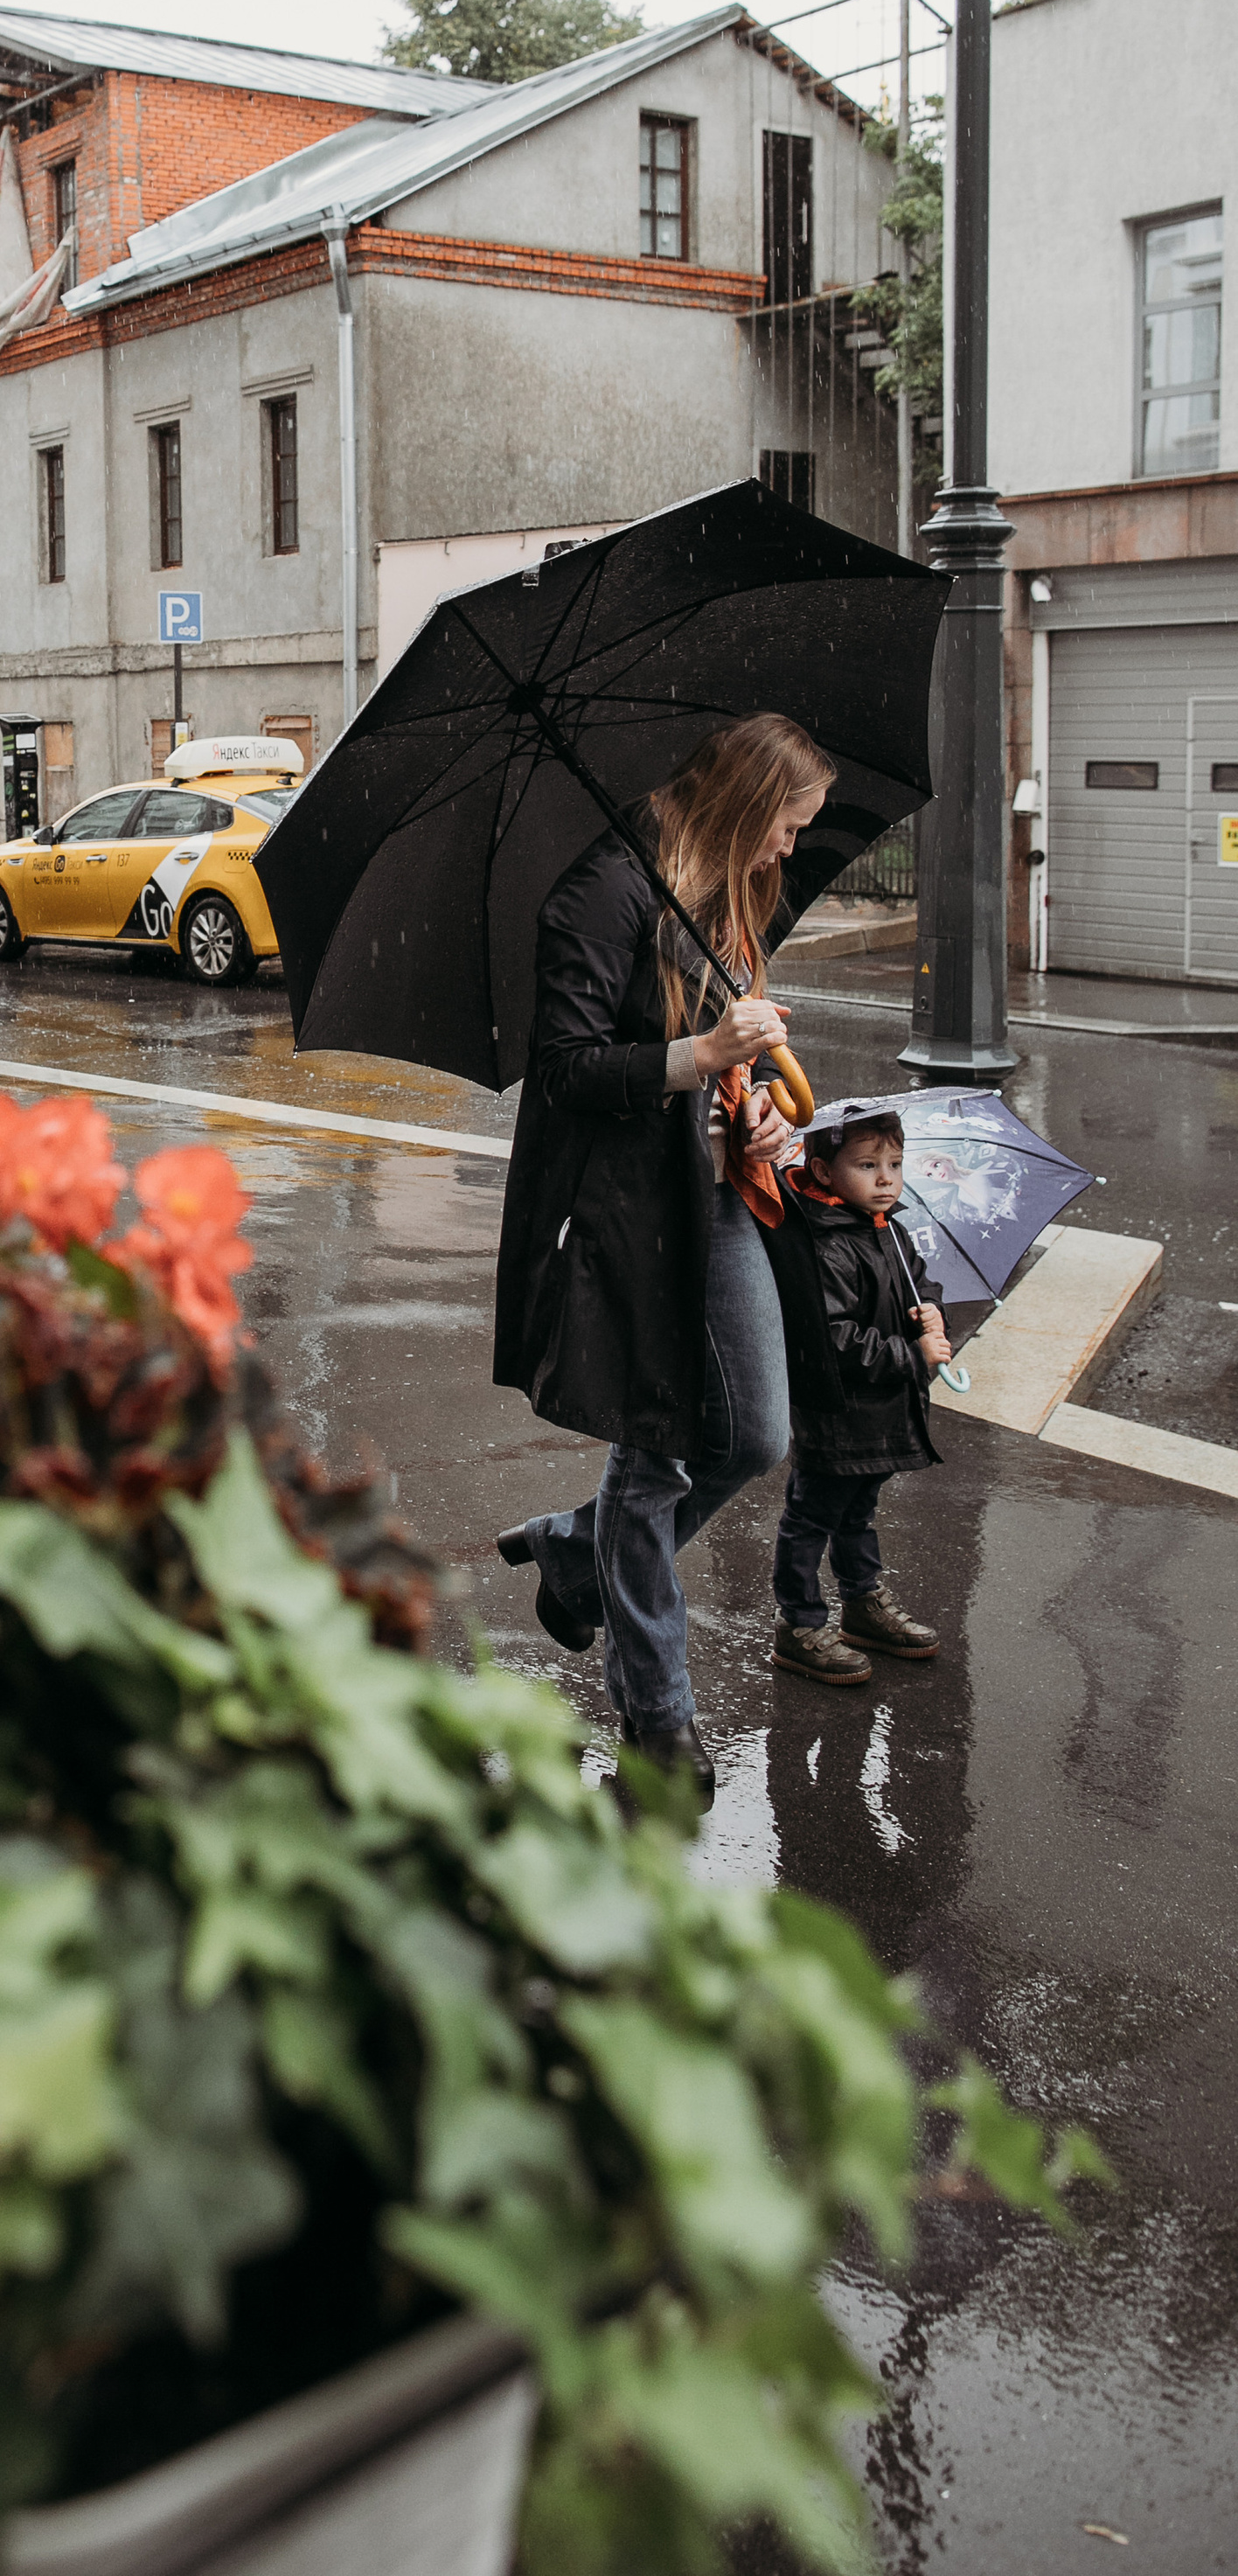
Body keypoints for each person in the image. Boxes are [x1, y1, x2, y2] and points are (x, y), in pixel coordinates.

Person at [492, 714, 835, 1803]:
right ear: (744, 804)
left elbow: (727, 1077)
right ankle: (659, 1724)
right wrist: (700, 1056)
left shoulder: (730, 896)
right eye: (788, 823)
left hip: (716, 1193)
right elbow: (563, 1071)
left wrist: (759, 1119)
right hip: (632, 1214)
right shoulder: (604, 892)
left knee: (757, 1431)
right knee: (660, 1451)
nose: (791, 848)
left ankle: (571, 1552)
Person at [762, 1107, 948, 1683]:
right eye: (867, 1165)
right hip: (838, 1415)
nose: (886, 1178)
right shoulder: (823, 1244)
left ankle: (862, 1604)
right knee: (812, 1516)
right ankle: (798, 1622)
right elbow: (836, 1339)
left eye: (894, 1163)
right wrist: (910, 1357)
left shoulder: (888, 1227)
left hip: (883, 1414)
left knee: (859, 1512)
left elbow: (917, 1280)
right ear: (822, 1170)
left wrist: (931, 1312)